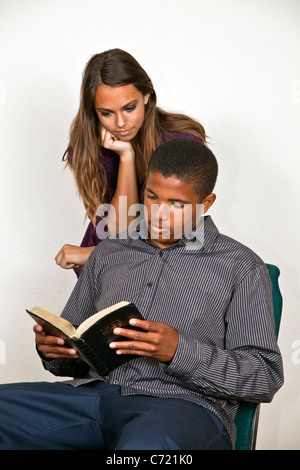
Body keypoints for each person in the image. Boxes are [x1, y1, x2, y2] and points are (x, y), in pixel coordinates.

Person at [0, 138, 283, 450]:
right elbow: (73, 357)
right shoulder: (109, 252)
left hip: (180, 409)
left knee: (144, 446)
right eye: (151, 197)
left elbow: (263, 377)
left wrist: (179, 351)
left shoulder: (241, 267)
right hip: (90, 399)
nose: (159, 215)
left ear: (206, 203)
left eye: (176, 205)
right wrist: (54, 349)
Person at [54, 48, 207, 277]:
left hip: (166, 263)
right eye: (106, 113)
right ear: (93, 111)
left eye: (129, 108)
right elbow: (118, 232)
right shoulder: (88, 154)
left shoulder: (182, 142)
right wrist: (126, 157)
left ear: (146, 95)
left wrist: (89, 254)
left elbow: (177, 231)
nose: (121, 123)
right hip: (109, 266)